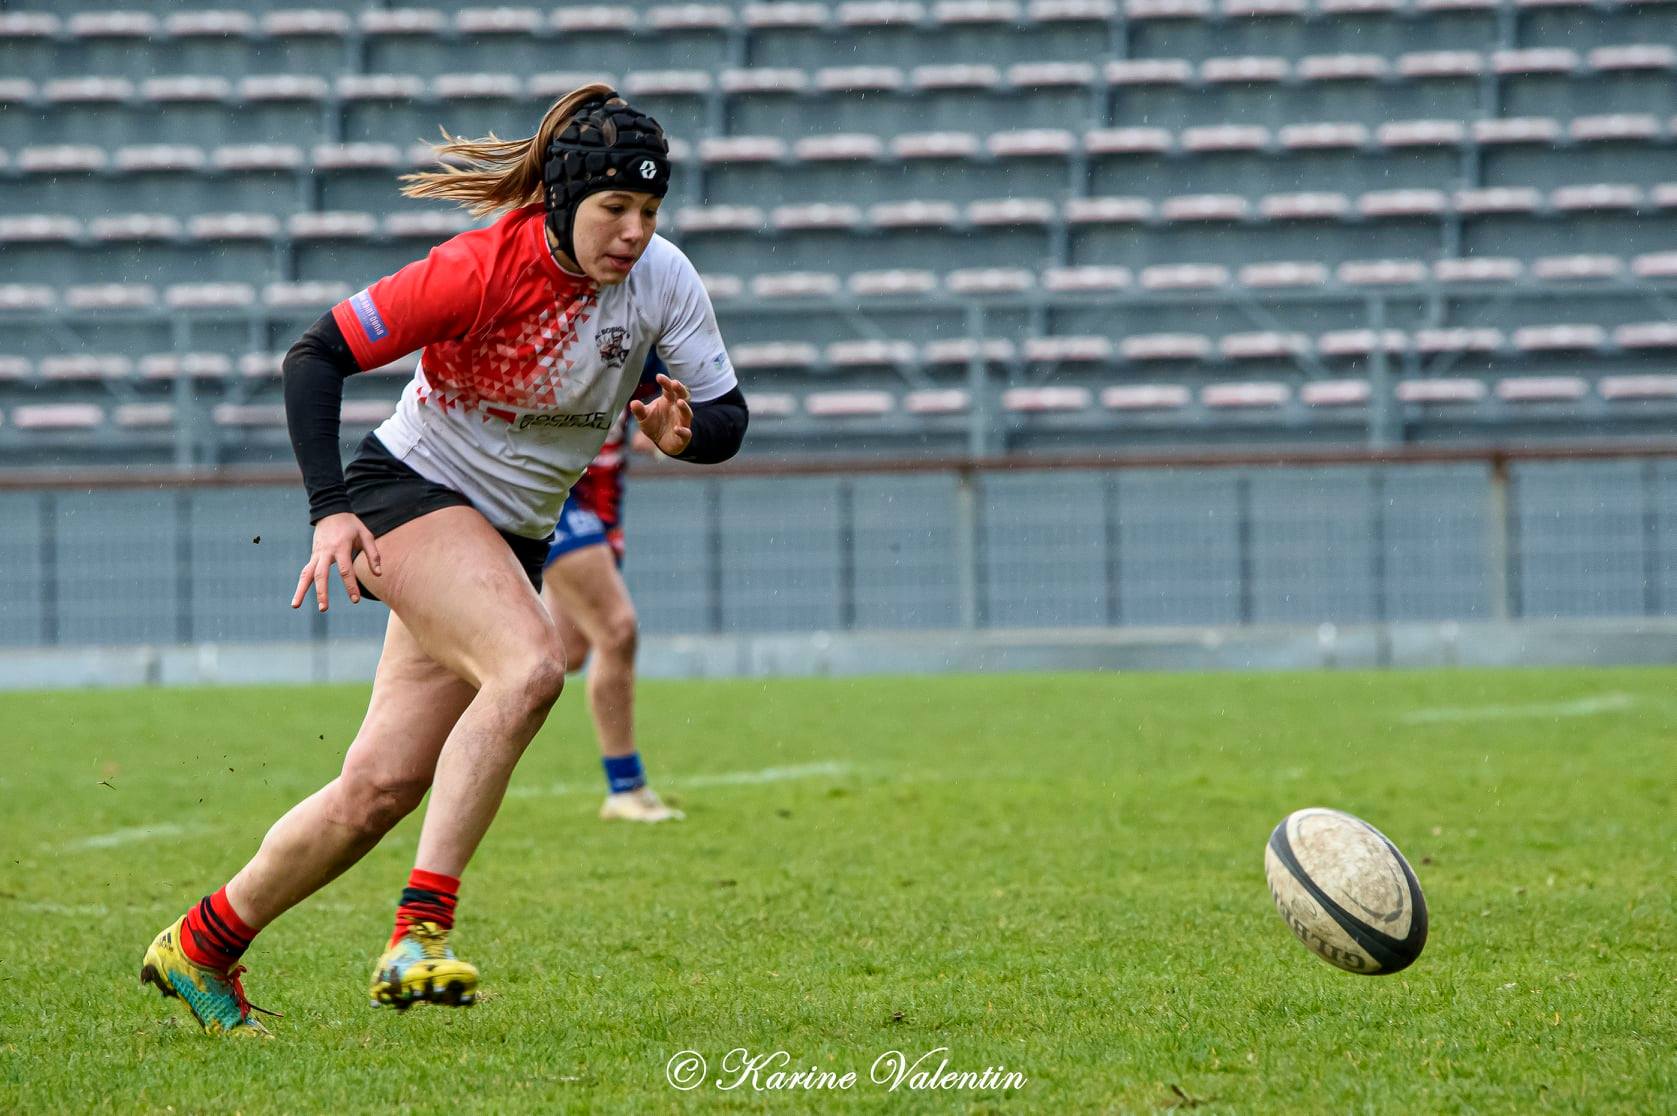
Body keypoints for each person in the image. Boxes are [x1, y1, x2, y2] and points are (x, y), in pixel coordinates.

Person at [138, 85, 749, 1036]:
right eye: (614, 210)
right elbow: (315, 355)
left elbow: (724, 417)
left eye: (649, 211)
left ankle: (201, 943)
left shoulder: (664, 278)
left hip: (508, 535)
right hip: (409, 494)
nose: (634, 232)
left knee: (377, 787)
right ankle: (419, 933)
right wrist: (329, 512)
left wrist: (684, 434)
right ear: (561, 199)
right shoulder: (481, 268)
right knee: (534, 666)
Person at [542, 357, 684, 823]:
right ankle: (626, 788)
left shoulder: (639, 334)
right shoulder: (551, 321)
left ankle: (431, 712)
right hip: (554, 498)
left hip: (602, 501)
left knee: (561, 654)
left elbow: (660, 415)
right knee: (617, 629)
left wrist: (670, 434)